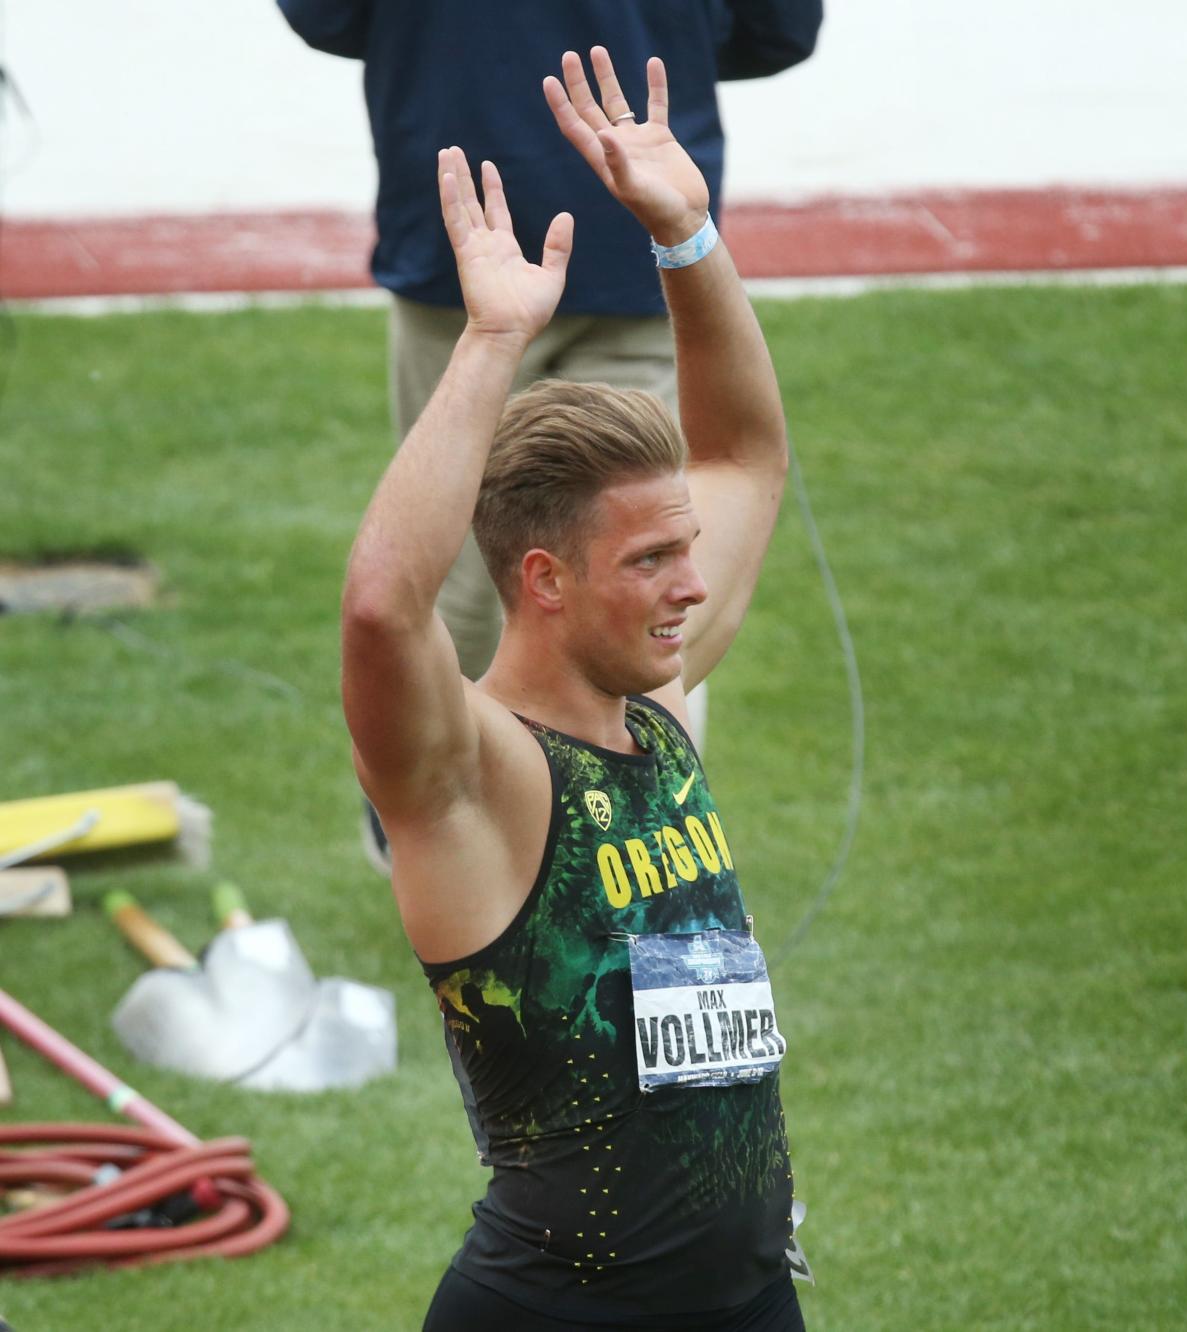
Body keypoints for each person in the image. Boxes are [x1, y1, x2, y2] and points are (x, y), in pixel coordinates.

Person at [341, 47, 800, 1332]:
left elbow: (745, 453)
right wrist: (491, 341)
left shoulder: (655, 707)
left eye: (685, 554)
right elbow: (385, 607)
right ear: (543, 580)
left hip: (750, 1303)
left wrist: (688, 234)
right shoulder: (478, 779)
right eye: (651, 562)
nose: (692, 588)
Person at [279, 0, 821, 687]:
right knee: (649, 590)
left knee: (464, 588)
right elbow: (778, 29)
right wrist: (682, 229)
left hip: (463, 239)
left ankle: (435, 777)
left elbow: (325, 16)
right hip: (632, 230)